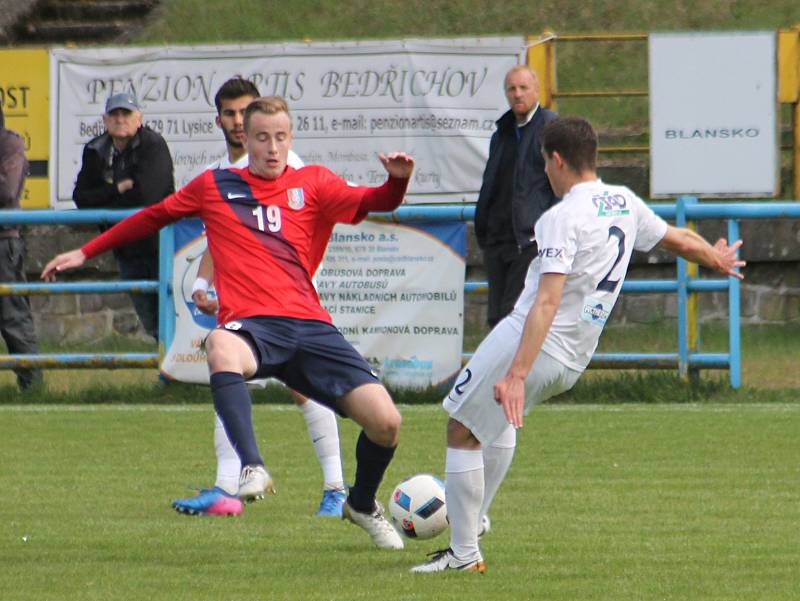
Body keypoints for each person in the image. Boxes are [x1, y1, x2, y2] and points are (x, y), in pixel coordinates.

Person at [43, 96, 415, 550]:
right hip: (253, 328)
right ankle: (252, 466)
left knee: (387, 423)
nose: (272, 148)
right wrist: (85, 251)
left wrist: (397, 181)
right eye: (262, 138)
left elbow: (375, 200)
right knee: (219, 344)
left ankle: (359, 503)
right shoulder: (216, 186)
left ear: (291, 138)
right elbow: (153, 216)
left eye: (280, 138)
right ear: (246, 138)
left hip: (310, 325)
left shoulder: (313, 182)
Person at [411, 117, 745, 573]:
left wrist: (517, 373)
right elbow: (679, 239)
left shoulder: (561, 217)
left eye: (544, 162)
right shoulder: (622, 202)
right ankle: (474, 522)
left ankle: (463, 553)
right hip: (575, 355)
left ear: (558, 159)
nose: (544, 172)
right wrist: (716, 257)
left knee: (460, 426)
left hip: (533, 341)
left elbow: (546, 301)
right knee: (498, 420)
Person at [171, 78, 348, 518]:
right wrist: (201, 285)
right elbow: (223, 239)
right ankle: (226, 488)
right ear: (222, 120)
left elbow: (294, 238)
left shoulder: (287, 165)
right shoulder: (222, 174)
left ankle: (336, 487)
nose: (236, 121)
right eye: (229, 113)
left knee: (304, 388)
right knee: (227, 381)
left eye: (243, 112)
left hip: (291, 297)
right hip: (245, 301)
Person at [73, 92, 175, 340]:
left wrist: (106, 198)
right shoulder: (95, 149)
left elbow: (147, 198)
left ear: (138, 118)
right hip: (125, 246)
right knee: (150, 319)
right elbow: (81, 198)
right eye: (115, 114)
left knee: (171, 314)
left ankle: (178, 372)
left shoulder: (153, 144)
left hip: (160, 244)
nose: (120, 119)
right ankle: (168, 373)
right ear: (105, 119)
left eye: (126, 114)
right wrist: (117, 188)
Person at [474, 65, 558, 329]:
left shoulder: (551, 128)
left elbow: (561, 183)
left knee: (512, 316)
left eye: (523, 88)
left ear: (537, 90)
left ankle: (517, 370)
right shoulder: (502, 131)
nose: (517, 94)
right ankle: (506, 370)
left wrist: (546, 226)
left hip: (528, 239)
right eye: (512, 89)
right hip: (497, 239)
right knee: (496, 317)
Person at [0, 104, 42, 390]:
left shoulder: (10, 143)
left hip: (3, 243)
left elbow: (6, 192)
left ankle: (33, 388)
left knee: (14, 319)